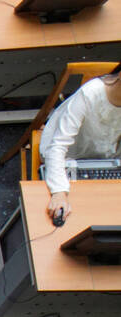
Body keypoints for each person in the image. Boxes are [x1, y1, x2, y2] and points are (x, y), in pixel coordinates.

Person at [40, 65, 121, 225]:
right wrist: (59, 192)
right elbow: (57, 147)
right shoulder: (91, 93)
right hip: (67, 156)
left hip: (106, 160)